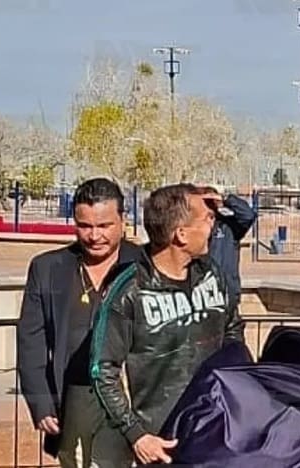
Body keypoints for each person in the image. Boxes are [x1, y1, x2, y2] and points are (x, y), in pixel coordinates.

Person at [89, 183, 244, 466]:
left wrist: (239, 390)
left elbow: (233, 329)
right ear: (181, 234)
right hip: (163, 443)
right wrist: (136, 435)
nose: (213, 226)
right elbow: (102, 370)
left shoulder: (212, 273)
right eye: (207, 219)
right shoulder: (127, 291)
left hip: (219, 430)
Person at [17, 178, 142, 467]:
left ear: (123, 221)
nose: (95, 236)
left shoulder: (145, 266)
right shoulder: (47, 268)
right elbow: (32, 342)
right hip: (72, 401)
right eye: (85, 226)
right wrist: (40, 401)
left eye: (104, 226)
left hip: (131, 398)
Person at [200, 186, 256, 312]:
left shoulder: (228, 226)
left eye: (211, 201)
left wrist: (226, 199)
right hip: (203, 294)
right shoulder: (193, 228)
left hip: (227, 292)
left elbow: (248, 215)